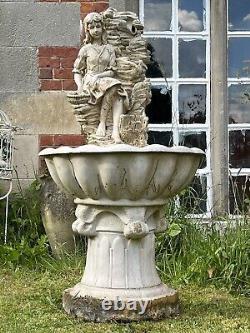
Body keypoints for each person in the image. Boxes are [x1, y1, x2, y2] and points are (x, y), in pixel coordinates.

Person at [73, 12, 127, 143]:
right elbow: (77, 71)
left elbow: (112, 71)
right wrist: (79, 86)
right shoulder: (85, 49)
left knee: (118, 93)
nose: (95, 30)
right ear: (87, 30)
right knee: (114, 86)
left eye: (98, 26)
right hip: (90, 81)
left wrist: (99, 75)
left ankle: (115, 131)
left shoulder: (109, 49)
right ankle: (102, 123)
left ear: (102, 27)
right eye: (92, 27)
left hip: (105, 78)